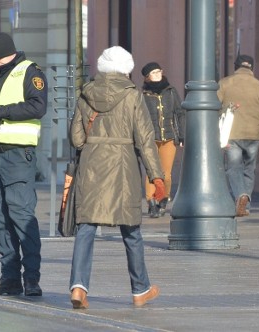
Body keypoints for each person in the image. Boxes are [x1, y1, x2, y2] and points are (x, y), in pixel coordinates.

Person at [68, 46, 165, 309]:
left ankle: (78, 286)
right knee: (131, 229)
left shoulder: (86, 94)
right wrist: (157, 177)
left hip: (91, 164)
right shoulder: (133, 96)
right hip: (123, 166)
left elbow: (77, 139)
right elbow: (145, 140)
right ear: (126, 69)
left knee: (86, 227)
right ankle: (139, 289)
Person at [0, 32, 46, 297]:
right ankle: (9, 278)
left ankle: (31, 280)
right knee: (0, 220)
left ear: (12, 53)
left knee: (21, 216)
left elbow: (37, 108)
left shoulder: (30, 72)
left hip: (18, 156)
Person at [217, 54, 259, 217]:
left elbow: (214, 106)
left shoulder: (225, 83)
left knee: (233, 168)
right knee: (249, 169)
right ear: (252, 67)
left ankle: (240, 194)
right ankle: (245, 204)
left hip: (231, 133)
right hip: (253, 135)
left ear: (236, 66)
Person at [140, 62, 185, 218]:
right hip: (149, 139)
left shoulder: (171, 92)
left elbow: (180, 113)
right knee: (151, 172)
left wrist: (182, 135)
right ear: (147, 77)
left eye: (159, 71)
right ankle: (151, 202)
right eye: (153, 73)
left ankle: (163, 199)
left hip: (169, 137)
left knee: (166, 174)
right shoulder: (142, 95)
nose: (157, 74)